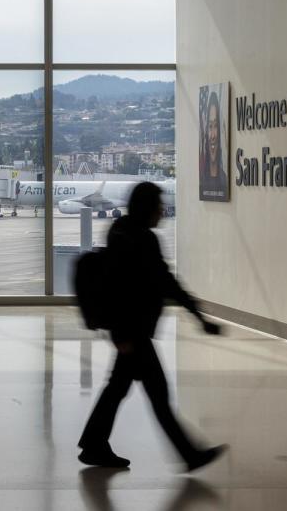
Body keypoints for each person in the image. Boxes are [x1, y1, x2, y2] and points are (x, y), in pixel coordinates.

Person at [78, 182, 228, 471]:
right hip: (133, 333)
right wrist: (199, 318)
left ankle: (94, 444)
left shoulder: (121, 230)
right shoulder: (141, 239)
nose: (163, 210)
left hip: (129, 332)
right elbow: (159, 284)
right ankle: (189, 455)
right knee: (157, 395)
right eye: (159, 205)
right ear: (148, 207)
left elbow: (136, 284)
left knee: (118, 389)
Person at [200, 91, 227, 198]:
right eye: (210, 126)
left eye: (216, 126)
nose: (212, 136)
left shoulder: (225, 179)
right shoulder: (201, 180)